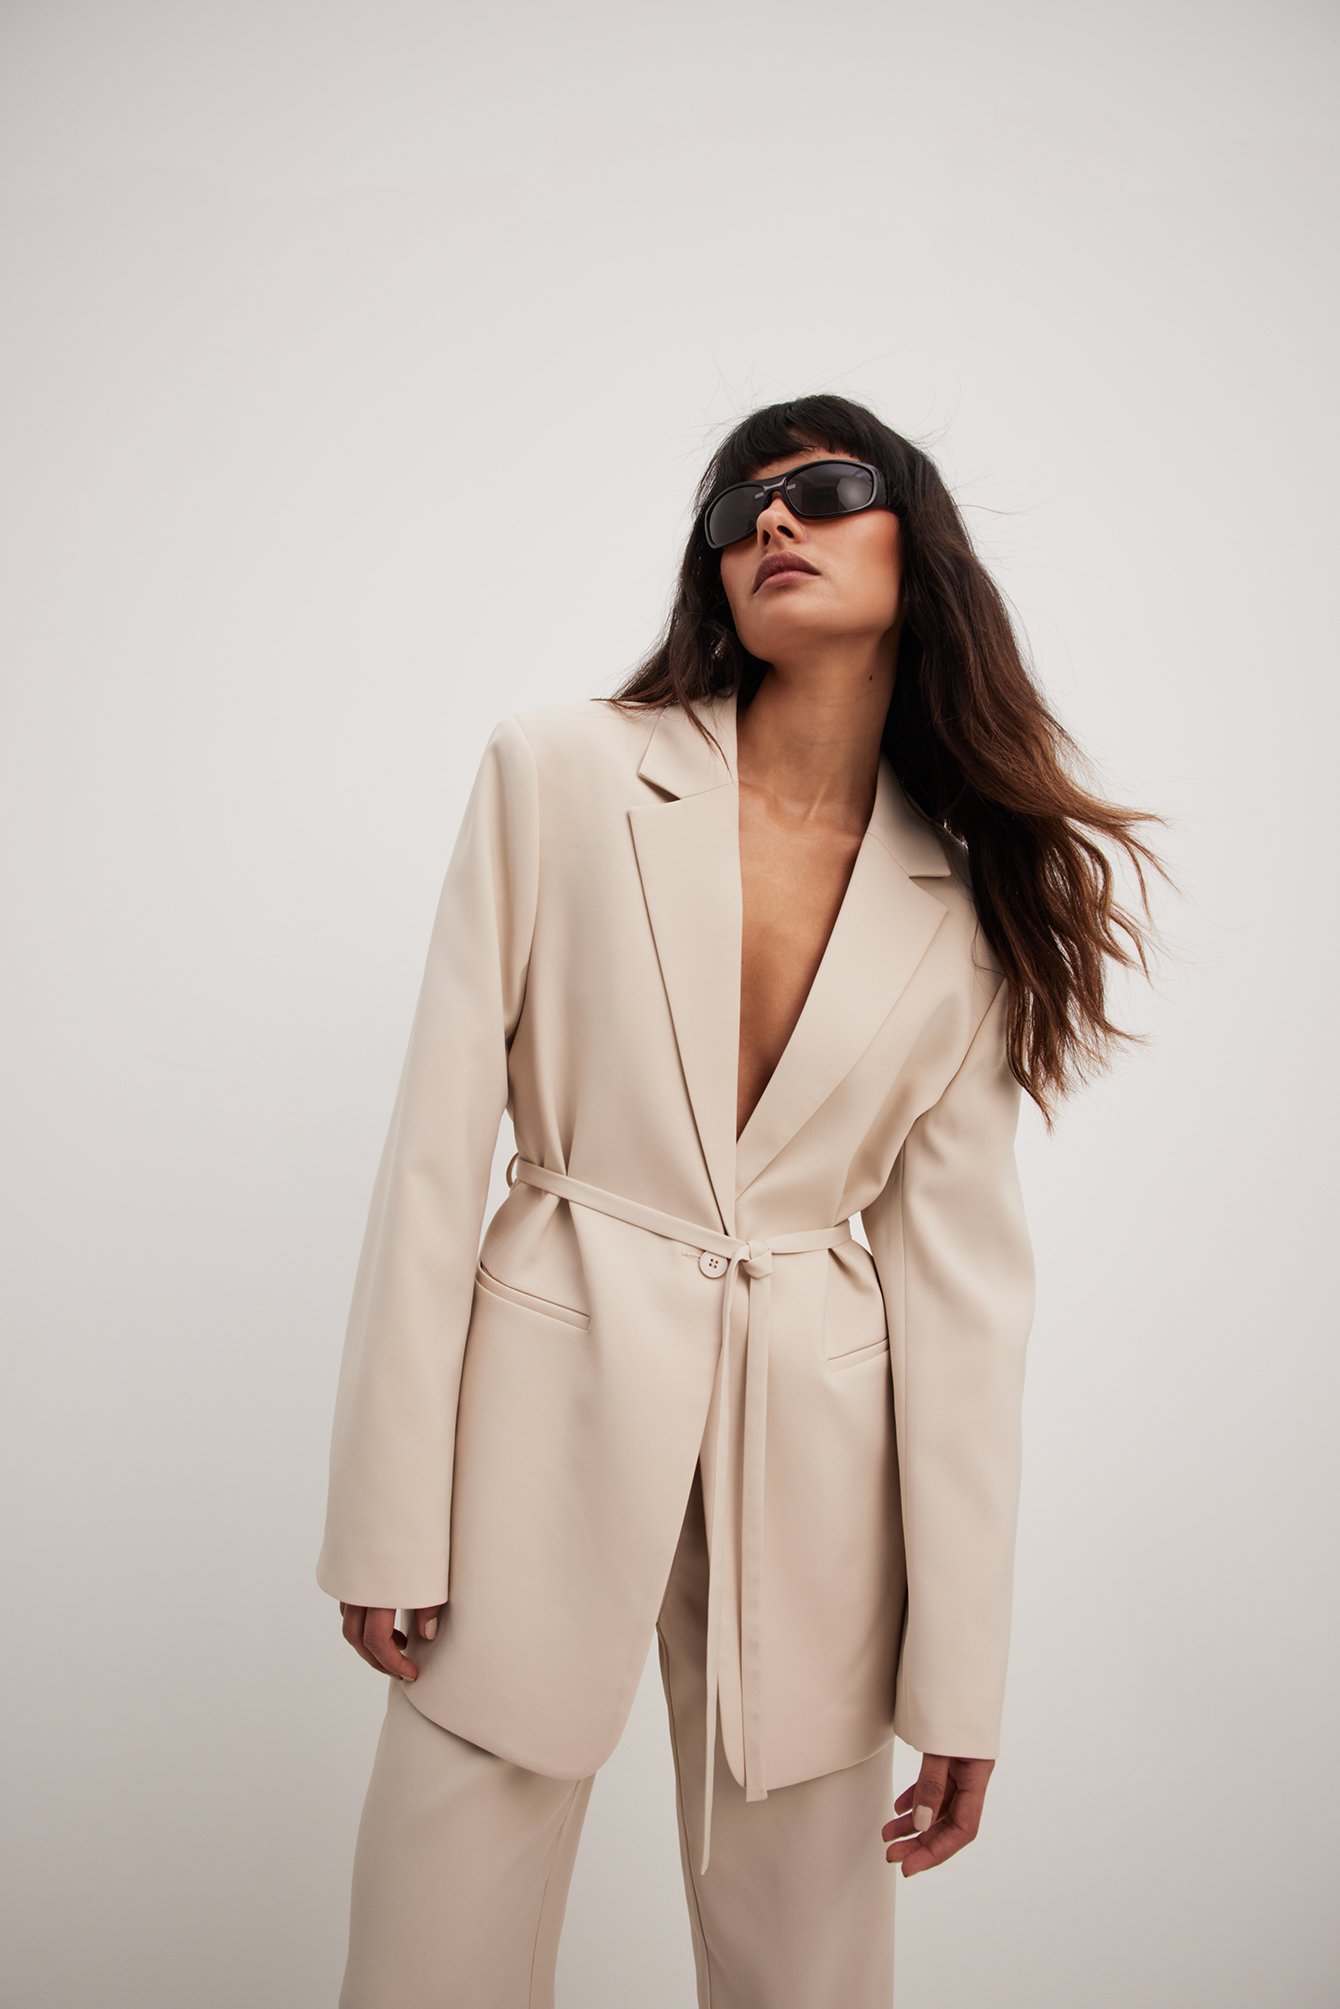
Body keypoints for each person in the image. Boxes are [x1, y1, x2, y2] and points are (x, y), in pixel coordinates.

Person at [315, 393, 1166, 2009]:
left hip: (818, 1466)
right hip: (540, 1414)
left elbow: (965, 1308)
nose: (772, 520)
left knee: (810, 1973)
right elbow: (434, 1151)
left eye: (826, 486)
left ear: (918, 544)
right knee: (433, 1947)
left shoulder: (965, 905)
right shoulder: (561, 771)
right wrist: (386, 1505)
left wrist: (960, 1674)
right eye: (736, 507)